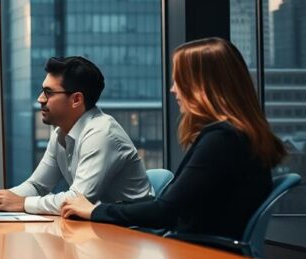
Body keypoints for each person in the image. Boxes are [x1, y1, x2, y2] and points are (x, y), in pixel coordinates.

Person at [62, 38, 285, 239]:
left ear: (202, 86)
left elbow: (166, 212)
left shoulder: (223, 139)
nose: (173, 90)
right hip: (199, 253)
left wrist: (95, 210)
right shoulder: (236, 136)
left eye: (179, 81)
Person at [0, 56, 153, 215]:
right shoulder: (61, 131)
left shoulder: (101, 133)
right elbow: (37, 186)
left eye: (49, 93)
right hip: (102, 227)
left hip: (133, 231)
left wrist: (22, 203)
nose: (40, 99)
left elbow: (77, 200)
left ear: (76, 99)